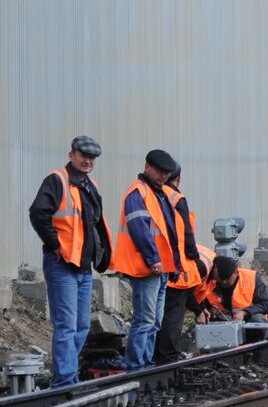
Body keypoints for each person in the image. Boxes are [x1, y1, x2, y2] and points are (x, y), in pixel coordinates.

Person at [28, 136, 112, 388]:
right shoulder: (57, 180)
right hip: (62, 265)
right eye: (83, 155)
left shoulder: (90, 185)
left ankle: (69, 374)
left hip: (83, 267)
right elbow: (38, 213)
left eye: (92, 158)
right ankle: (64, 381)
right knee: (66, 326)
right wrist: (55, 245)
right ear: (71, 155)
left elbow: (94, 224)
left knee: (81, 326)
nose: (88, 161)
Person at [112, 149, 186, 371]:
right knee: (145, 320)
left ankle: (146, 363)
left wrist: (173, 264)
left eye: (166, 173)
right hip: (147, 268)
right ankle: (136, 365)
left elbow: (168, 232)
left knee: (154, 321)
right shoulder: (138, 193)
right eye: (159, 171)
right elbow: (139, 229)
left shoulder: (158, 193)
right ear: (147, 167)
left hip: (161, 268)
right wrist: (153, 259)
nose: (163, 176)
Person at [155, 168, 202, 364]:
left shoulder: (150, 194)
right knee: (173, 314)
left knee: (154, 314)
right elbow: (186, 233)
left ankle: (152, 356)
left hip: (152, 265)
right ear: (178, 179)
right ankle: (167, 357)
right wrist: (193, 254)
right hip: (174, 266)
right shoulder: (176, 198)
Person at [192, 253, 268, 323]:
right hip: (221, 320)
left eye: (228, 278)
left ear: (236, 273)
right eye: (221, 279)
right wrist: (210, 310)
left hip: (246, 320)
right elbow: (201, 301)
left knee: (258, 320)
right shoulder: (210, 281)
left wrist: (244, 312)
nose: (224, 282)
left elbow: (265, 304)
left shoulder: (251, 278)